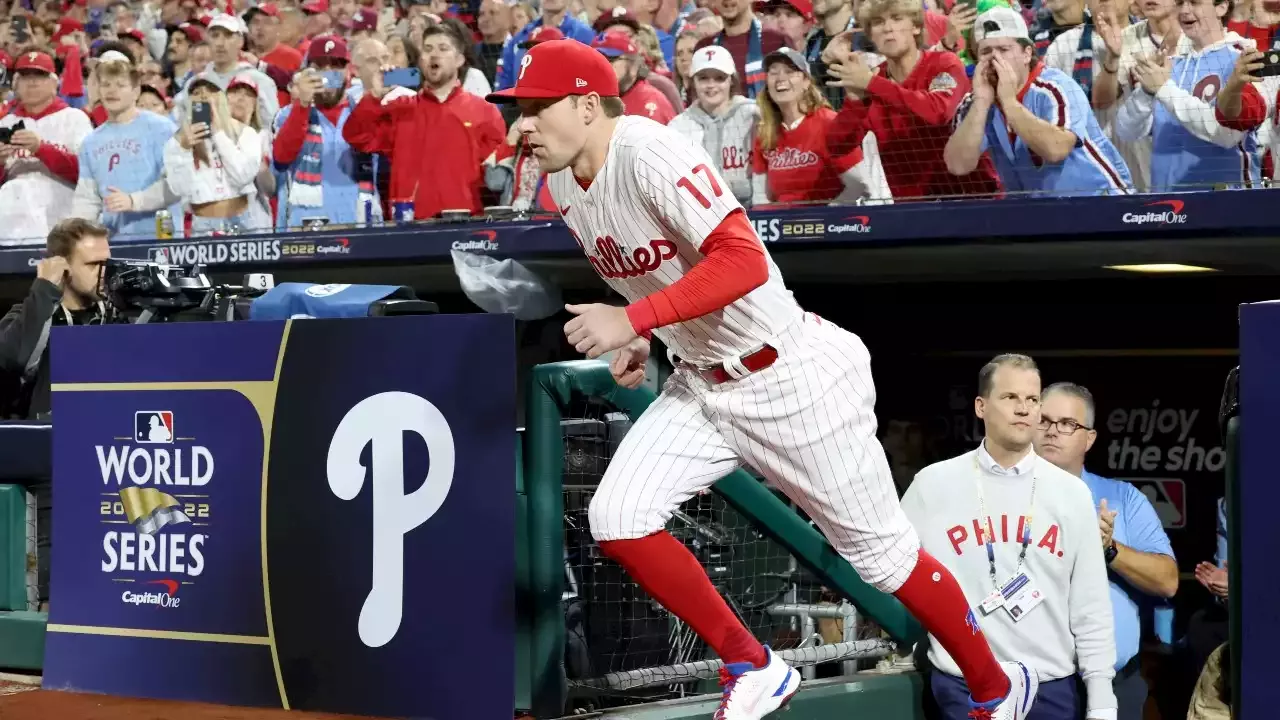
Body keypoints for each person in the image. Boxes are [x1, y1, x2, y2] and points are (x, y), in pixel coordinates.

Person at [487, 38, 1037, 720]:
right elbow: (658, 270)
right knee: (618, 516)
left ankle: (995, 685)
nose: (519, 128)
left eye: (534, 110)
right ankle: (753, 663)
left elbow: (742, 261)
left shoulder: (651, 151)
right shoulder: (562, 185)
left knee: (884, 561)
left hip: (787, 376)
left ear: (584, 102)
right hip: (702, 384)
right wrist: (649, 333)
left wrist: (635, 316)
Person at [901, 355, 1117, 720]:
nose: (1024, 410)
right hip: (963, 687)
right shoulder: (933, 485)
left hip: (1050, 689)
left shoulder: (1071, 493)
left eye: (1032, 400)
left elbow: (1091, 606)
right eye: (1010, 398)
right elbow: (889, 566)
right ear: (981, 406)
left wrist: (1101, 699)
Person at [1035, 382, 1178, 720]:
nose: (1053, 431)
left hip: (1115, 685)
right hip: (1032, 685)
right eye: (1044, 420)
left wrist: (1109, 548)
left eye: (1068, 424)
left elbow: (1168, 581)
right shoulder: (1003, 499)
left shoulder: (1122, 499)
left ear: (1089, 438)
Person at [944, 6, 1133, 195]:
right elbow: (957, 165)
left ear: (1027, 54)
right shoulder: (975, 101)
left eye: (1004, 49)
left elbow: (1056, 150)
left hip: (1100, 200)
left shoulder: (1056, 86)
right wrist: (981, 104)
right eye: (986, 52)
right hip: (1037, 212)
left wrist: (1009, 103)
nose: (995, 58)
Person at [824, 0, 1002, 199]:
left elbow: (938, 112)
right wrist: (856, 101)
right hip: (913, 209)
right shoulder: (871, 83)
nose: (888, 28)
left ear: (916, 27)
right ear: (871, 35)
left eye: (897, 19)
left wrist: (871, 84)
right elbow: (837, 145)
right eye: (878, 22)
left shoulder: (943, 63)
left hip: (972, 198)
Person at [1116, 0, 1274, 190]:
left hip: (1228, 202)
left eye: (1194, 2)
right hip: (1168, 203)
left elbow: (1225, 135)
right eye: (1180, 3)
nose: (1184, 10)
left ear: (1221, 7)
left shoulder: (1244, 59)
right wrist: (1147, 92)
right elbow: (1126, 131)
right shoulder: (1171, 64)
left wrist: (1164, 89)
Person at [0, 218, 111, 420]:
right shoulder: (27, 316)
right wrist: (45, 288)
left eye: (107, 263)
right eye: (94, 264)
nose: (104, 273)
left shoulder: (116, 314)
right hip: (47, 441)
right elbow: (14, 359)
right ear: (61, 265)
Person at [751, 47, 890, 205]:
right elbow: (760, 196)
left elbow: (860, 186)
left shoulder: (829, 123)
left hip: (825, 221)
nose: (780, 78)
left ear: (806, 82)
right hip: (782, 223)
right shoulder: (765, 132)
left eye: (789, 71)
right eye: (773, 72)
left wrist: (826, 215)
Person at [71, 54, 182, 239]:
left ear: (136, 91)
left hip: (161, 238)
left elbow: (177, 184)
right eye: (106, 85)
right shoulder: (91, 142)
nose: (111, 91)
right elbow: (87, 199)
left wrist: (134, 200)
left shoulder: (163, 129)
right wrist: (77, 237)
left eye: (120, 85)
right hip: (113, 242)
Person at [163, 73, 272, 235]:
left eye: (210, 91)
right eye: (196, 93)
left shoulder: (248, 134)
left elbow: (241, 177)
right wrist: (185, 149)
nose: (204, 96)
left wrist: (217, 132)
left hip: (246, 220)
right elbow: (180, 189)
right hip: (203, 223)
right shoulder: (179, 140)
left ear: (223, 98)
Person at [668, 45, 759, 204]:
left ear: (732, 80)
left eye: (719, 78)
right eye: (703, 78)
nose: (711, 85)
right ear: (693, 81)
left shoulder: (752, 115)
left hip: (752, 213)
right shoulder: (677, 127)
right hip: (701, 218)